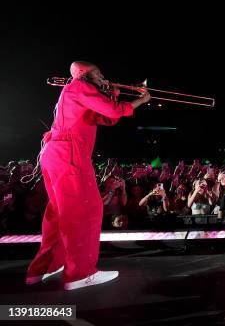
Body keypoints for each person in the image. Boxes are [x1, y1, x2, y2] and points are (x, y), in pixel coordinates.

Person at [25, 61, 150, 290]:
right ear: (84, 74)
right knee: (86, 210)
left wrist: (113, 94)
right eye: (98, 73)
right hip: (69, 156)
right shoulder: (79, 87)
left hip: (57, 154)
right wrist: (140, 100)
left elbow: (106, 118)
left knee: (59, 213)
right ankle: (80, 274)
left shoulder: (77, 92)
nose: (103, 76)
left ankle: (46, 267)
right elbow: (114, 111)